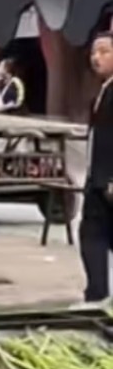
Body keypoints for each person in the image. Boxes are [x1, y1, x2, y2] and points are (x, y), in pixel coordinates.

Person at [79, 31, 113, 308]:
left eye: (104, 51)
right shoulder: (101, 92)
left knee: (94, 235)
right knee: (92, 234)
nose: (96, 57)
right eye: (93, 52)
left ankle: (97, 295)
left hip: (108, 179)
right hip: (97, 179)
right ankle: (96, 294)